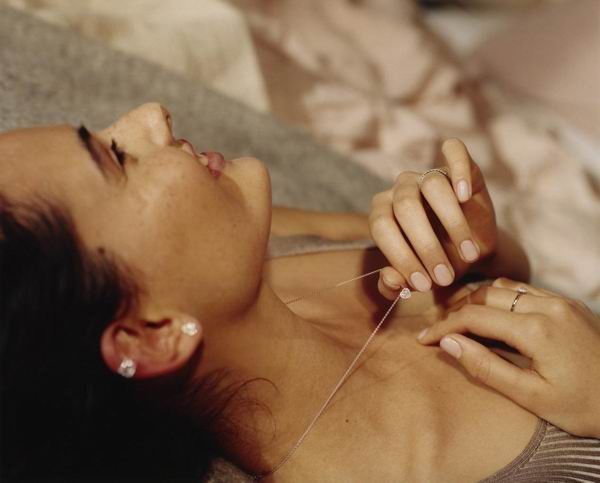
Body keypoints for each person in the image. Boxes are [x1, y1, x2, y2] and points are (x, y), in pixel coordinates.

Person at [0, 102, 598, 482]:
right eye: (117, 158)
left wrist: (473, 238)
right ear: (152, 336)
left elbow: (509, 271)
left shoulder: (252, 240)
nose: (152, 115)